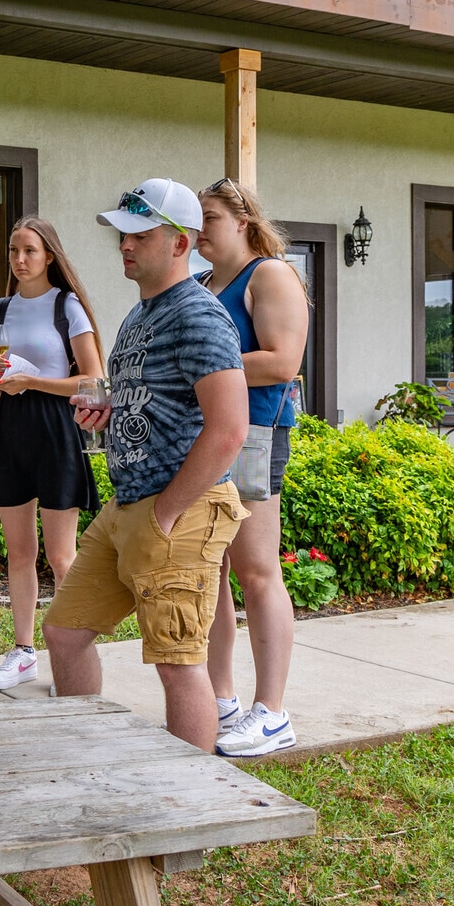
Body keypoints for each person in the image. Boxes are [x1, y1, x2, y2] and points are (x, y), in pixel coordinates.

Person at [45, 178, 249, 751]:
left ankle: (190, 812)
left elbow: (229, 428)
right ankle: (88, 762)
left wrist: (167, 512)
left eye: (140, 233)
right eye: (122, 233)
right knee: (64, 633)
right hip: (127, 505)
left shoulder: (199, 317)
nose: (125, 245)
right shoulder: (139, 318)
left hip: (177, 508)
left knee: (179, 664)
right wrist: (111, 409)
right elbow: (161, 399)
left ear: (181, 243)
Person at [196, 178, 309, 758]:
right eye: (195, 220)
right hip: (200, 442)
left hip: (255, 437)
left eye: (210, 218)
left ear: (242, 221)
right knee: (210, 569)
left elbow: (283, 361)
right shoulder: (196, 285)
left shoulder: (269, 275)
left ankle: (273, 713)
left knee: (257, 571)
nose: (199, 231)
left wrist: (199, 365)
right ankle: (222, 700)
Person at [0, 216, 104, 691]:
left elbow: (93, 379)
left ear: (49, 255)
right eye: (13, 250)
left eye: (29, 250)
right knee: (19, 553)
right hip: (11, 427)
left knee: (61, 555)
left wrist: (33, 381)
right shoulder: (1, 310)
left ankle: (71, 658)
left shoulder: (67, 306)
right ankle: (23, 651)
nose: (19, 259)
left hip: (56, 430)